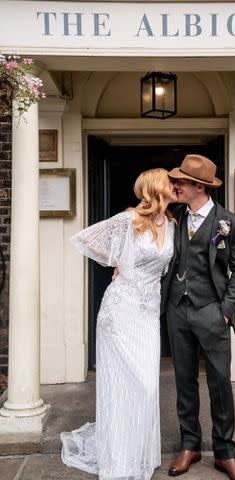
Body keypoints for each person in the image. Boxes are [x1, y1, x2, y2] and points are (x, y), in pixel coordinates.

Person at [60, 168, 177, 480]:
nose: (176, 187)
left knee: (148, 386)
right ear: (158, 190)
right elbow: (86, 237)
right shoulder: (129, 220)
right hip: (120, 310)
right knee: (126, 385)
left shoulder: (172, 224)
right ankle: (119, 459)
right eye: (170, 184)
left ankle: (141, 454)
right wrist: (119, 262)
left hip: (149, 313)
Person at [161, 154, 235, 480]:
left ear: (198, 186)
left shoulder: (229, 223)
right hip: (177, 310)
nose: (175, 186)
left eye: (180, 182)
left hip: (212, 312)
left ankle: (225, 452)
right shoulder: (174, 218)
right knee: (183, 380)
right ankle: (190, 444)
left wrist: (226, 311)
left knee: (220, 383)